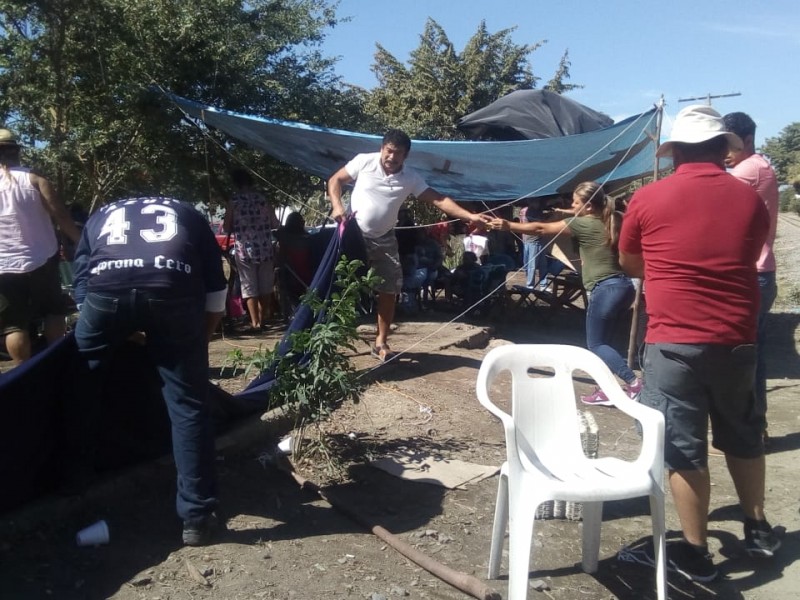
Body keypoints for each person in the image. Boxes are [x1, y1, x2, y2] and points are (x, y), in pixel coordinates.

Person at [618, 105, 778, 582]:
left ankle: (695, 552)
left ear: (675, 154)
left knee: (684, 448)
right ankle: (758, 527)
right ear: (721, 148)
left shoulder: (647, 199)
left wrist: (669, 268)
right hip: (736, 338)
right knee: (743, 431)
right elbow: (749, 256)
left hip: (674, 342)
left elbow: (629, 262)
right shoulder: (748, 198)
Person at [72, 196, 227, 546]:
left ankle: (72, 478)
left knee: (80, 383)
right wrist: (197, 343)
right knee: (188, 405)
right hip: (171, 288)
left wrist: (109, 325)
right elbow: (216, 289)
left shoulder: (101, 214)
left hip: (104, 293)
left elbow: (81, 280)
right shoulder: (188, 211)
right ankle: (197, 517)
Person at [328, 129, 488, 362]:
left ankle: (380, 342)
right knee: (339, 285)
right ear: (382, 149)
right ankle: (328, 339)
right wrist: (337, 206)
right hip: (354, 234)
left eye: (398, 153)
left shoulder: (410, 178)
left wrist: (469, 216)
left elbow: (439, 199)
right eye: (389, 151)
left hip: (385, 238)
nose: (392, 157)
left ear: (406, 156)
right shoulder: (364, 161)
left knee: (390, 288)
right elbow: (335, 180)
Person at [490, 181, 641, 402]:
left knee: (596, 344)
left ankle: (634, 383)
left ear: (588, 206)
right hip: (624, 287)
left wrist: (508, 226)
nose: (572, 205)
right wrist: (564, 210)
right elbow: (579, 211)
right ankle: (605, 389)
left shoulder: (582, 223)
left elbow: (540, 228)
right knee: (606, 341)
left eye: (576, 202)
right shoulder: (614, 218)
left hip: (604, 288)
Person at [0, 129, 81, 364]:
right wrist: (81, 242)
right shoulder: (35, 179)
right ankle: (55, 361)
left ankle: (22, 371)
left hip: (3, 267)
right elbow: (62, 217)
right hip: (42, 260)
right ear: (16, 152)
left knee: (14, 326)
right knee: (53, 311)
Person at [723, 112, 780, 445]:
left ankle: (751, 431)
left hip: (752, 274)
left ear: (746, 140)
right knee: (751, 355)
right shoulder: (759, 166)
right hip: (761, 272)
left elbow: (711, 203)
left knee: (745, 358)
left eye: (729, 144)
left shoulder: (747, 171)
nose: (724, 152)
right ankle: (754, 428)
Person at [223, 168, 280, 332]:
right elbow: (275, 223)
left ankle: (255, 323)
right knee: (265, 285)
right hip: (265, 247)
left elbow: (226, 227)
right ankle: (264, 318)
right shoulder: (263, 199)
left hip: (244, 250)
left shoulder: (234, 202)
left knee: (249, 285)